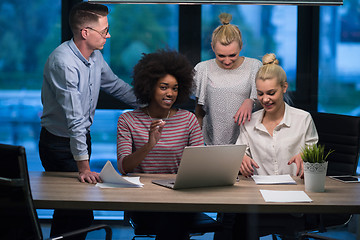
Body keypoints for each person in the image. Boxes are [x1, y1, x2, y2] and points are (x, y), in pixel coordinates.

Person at [38, 2, 137, 239]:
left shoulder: (96, 57)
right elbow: (74, 119)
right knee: (77, 209)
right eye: (104, 31)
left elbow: (115, 86)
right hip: (58, 144)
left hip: (81, 137)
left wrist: (149, 104)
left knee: (73, 209)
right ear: (85, 32)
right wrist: (83, 167)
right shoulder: (64, 63)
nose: (108, 35)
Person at [117, 49, 204, 239]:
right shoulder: (128, 120)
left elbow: (200, 164)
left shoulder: (188, 119)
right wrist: (149, 144)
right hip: (144, 199)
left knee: (175, 220)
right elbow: (124, 167)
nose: (170, 93)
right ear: (149, 87)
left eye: (175, 88)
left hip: (180, 198)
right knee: (172, 224)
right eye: (164, 87)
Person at [231, 53, 319, 240]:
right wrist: (240, 159)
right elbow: (237, 156)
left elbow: (315, 157)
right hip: (257, 200)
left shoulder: (303, 119)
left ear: (284, 87)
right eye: (260, 94)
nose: (265, 99)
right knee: (236, 228)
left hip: (295, 201)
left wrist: (307, 157)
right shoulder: (249, 122)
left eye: (271, 93)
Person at [194, 12, 262, 146]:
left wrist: (251, 100)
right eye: (221, 55)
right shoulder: (203, 69)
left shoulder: (254, 66)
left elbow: (265, 104)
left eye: (232, 55)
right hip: (212, 142)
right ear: (212, 47)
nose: (226, 61)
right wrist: (196, 145)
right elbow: (199, 112)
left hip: (248, 141)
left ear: (241, 47)